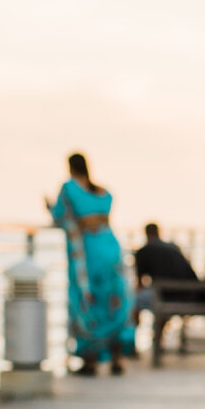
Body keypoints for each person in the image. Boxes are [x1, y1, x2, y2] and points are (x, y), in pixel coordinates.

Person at [45, 153, 132, 376]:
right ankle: (117, 358)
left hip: (86, 253)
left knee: (86, 301)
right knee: (114, 299)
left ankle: (90, 361)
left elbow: (59, 215)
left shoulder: (69, 188)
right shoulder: (103, 193)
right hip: (111, 248)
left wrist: (49, 207)